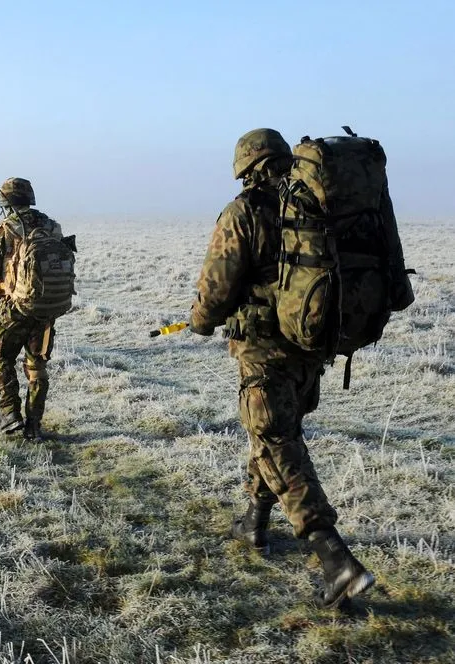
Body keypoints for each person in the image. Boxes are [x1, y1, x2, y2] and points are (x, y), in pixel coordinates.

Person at [188, 128, 375, 609]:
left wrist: (200, 321)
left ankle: (335, 560)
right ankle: (254, 521)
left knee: (276, 441)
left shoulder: (244, 211)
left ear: (248, 168)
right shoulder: (313, 205)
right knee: (275, 434)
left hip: (263, 349)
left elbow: (216, 287)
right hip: (310, 347)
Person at [0, 177, 74, 440]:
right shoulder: (52, 227)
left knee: (2, 356)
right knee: (37, 367)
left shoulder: (5, 229)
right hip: (45, 311)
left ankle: (10, 415)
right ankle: (34, 425)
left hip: (14, 309)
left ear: (4, 203)